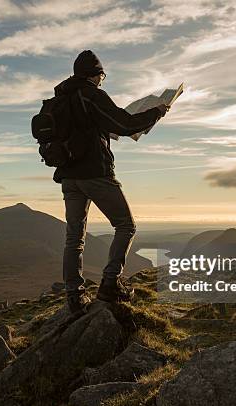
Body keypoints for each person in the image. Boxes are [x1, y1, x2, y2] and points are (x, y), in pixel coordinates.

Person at [53, 50, 169, 314]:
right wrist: (157, 112)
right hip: (95, 173)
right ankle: (110, 283)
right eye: (102, 76)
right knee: (126, 225)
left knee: (74, 237)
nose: (102, 81)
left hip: (69, 177)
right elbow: (125, 123)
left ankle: (74, 295)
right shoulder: (91, 94)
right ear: (96, 75)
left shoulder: (63, 98)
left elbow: (90, 129)